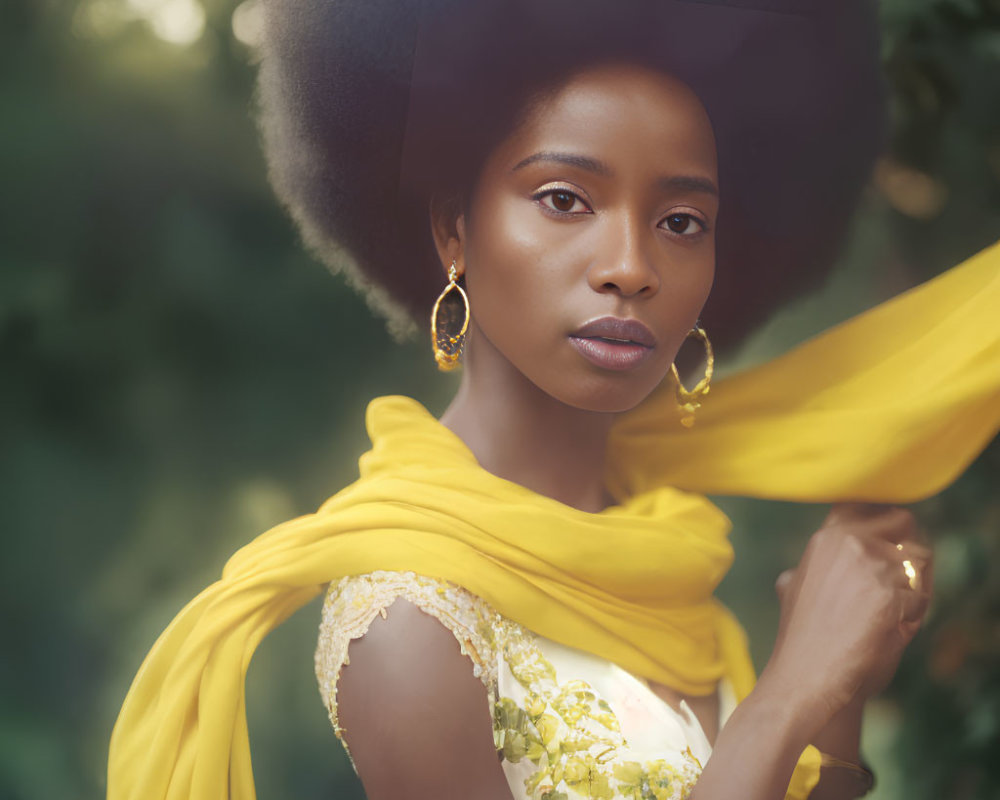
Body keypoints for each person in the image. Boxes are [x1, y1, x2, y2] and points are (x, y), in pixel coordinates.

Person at [107, 1, 1000, 799]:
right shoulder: (409, 623)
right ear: (455, 228)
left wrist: (838, 700)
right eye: (566, 198)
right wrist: (788, 696)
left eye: (681, 221)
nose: (631, 266)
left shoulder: (667, 562)